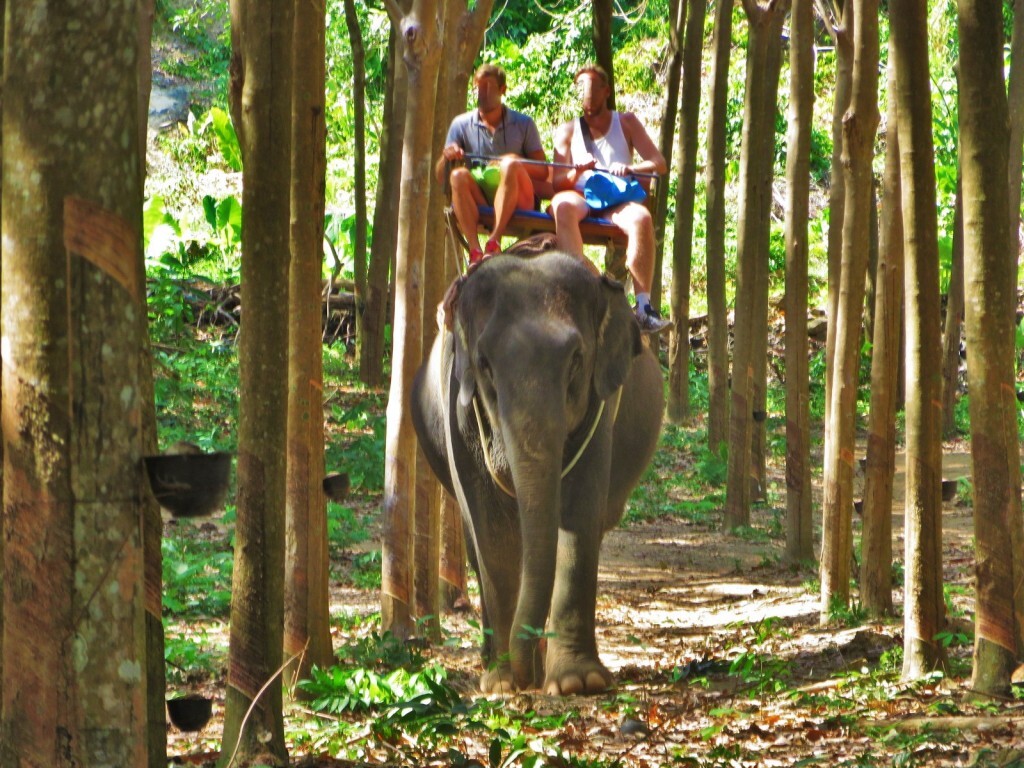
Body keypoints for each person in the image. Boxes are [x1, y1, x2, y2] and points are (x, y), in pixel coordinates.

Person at [550, 64, 671, 333]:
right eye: (582, 88)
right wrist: (577, 170)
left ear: (606, 91)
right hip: (582, 195)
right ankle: (579, 289)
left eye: (592, 87)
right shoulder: (567, 131)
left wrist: (631, 169)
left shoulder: (625, 122)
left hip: (616, 198)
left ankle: (643, 307)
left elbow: (659, 163)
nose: (587, 94)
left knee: (641, 217)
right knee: (562, 206)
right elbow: (556, 182)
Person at [435, 63, 550, 264]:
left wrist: (514, 161)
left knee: (510, 165)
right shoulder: (461, 124)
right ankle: (475, 251)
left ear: (502, 90)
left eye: (488, 87)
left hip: (519, 199)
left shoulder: (523, 124)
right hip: (482, 199)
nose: (483, 93)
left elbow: (543, 171)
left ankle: (494, 241)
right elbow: (440, 178)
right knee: (457, 176)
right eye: (479, 87)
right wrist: (447, 156)